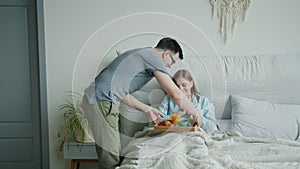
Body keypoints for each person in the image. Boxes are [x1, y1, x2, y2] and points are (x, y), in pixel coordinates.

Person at [82, 37, 202, 169]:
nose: (169, 66)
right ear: (166, 54)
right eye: (172, 62)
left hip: (96, 99)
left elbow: (122, 93)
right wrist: (195, 113)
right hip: (102, 101)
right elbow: (175, 93)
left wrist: (147, 109)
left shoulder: (142, 55)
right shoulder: (153, 57)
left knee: (113, 155)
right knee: (110, 161)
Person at [159, 69, 218, 134]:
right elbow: (158, 119)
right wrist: (175, 116)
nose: (180, 89)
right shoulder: (168, 99)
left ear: (191, 83)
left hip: (197, 135)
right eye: (177, 86)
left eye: (184, 85)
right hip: (173, 134)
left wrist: (196, 114)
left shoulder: (203, 101)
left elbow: (212, 127)